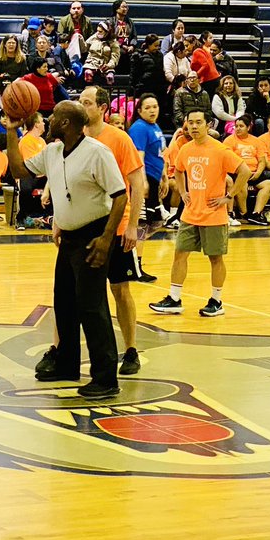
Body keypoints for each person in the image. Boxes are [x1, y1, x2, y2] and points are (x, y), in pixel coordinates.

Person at [2, 101, 128, 398]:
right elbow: (19, 170)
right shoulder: (53, 152)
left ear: (68, 124)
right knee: (65, 303)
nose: (49, 119)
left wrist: (106, 239)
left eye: (55, 116)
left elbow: (120, 196)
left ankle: (106, 377)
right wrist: (10, 131)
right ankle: (67, 364)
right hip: (69, 238)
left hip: (94, 235)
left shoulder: (98, 153)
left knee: (91, 306)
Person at [150, 108, 252, 316]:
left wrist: (229, 195)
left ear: (208, 125)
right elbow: (178, 170)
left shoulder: (220, 150)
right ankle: (174, 298)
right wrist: (183, 190)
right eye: (191, 123)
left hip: (214, 215)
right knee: (179, 254)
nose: (194, 126)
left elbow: (245, 171)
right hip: (190, 214)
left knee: (215, 258)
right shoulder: (186, 149)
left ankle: (216, 301)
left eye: (199, 122)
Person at [82, 86, 147, 376]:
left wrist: (133, 225)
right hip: (85, 228)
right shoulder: (76, 138)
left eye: (87, 102)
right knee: (81, 293)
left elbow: (137, 183)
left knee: (121, 290)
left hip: (117, 226)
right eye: (80, 101)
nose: (81, 106)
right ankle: (78, 350)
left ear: (102, 107)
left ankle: (131, 349)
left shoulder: (119, 139)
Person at [128, 94, 165, 280]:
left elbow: (160, 154)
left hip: (155, 178)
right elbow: (138, 157)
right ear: (140, 110)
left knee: (157, 222)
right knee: (141, 224)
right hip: (145, 179)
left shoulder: (155, 126)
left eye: (155, 106)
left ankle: (128, 249)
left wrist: (164, 176)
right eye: (148, 107)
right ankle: (135, 266)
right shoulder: (139, 128)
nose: (152, 110)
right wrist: (142, 182)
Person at [82, 21, 119, 85]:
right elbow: (84, 48)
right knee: (88, 72)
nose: (98, 33)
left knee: (109, 75)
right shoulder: (93, 38)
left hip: (105, 65)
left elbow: (115, 57)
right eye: (97, 31)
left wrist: (109, 65)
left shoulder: (113, 42)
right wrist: (81, 41)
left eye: (100, 31)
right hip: (92, 63)